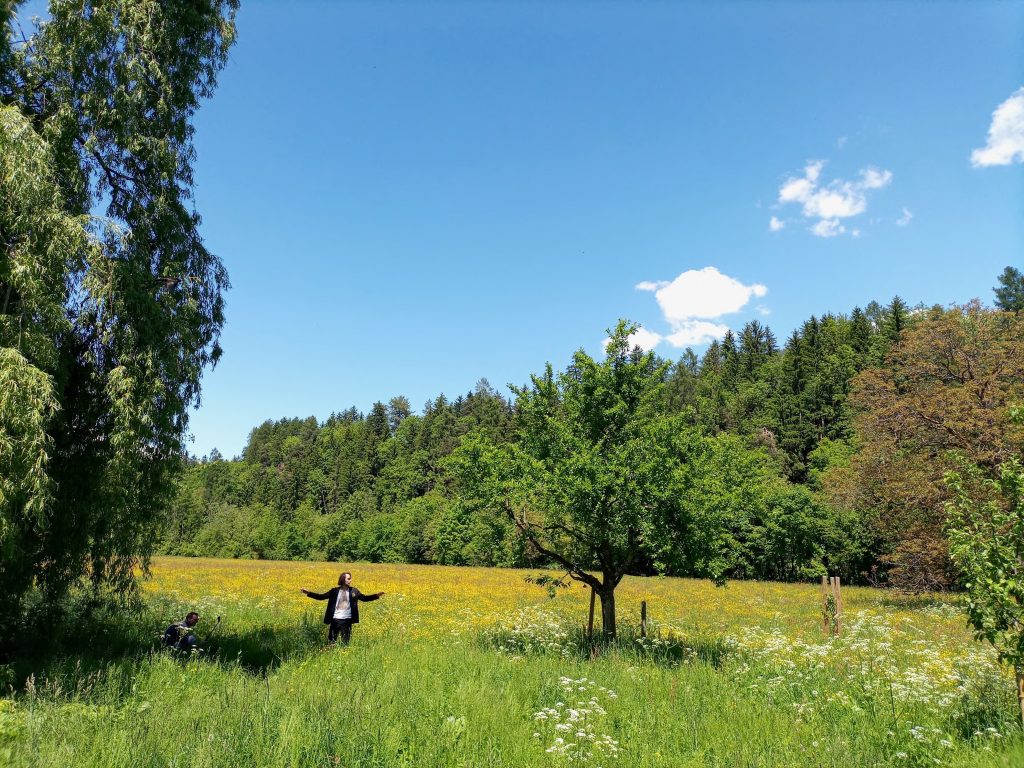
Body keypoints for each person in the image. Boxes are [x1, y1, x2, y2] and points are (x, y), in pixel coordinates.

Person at [301, 572, 384, 644]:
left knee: (345, 643)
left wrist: (376, 595)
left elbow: (364, 598)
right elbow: (321, 597)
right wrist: (308, 593)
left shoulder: (354, 591)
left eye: (350, 578)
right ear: (343, 579)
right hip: (335, 620)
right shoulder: (334, 591)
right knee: (331, 642)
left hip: (347, 620)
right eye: (348, 578)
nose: (350, 580)